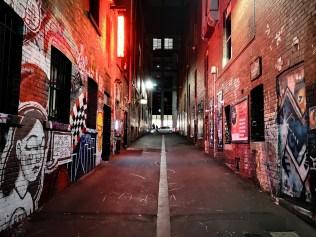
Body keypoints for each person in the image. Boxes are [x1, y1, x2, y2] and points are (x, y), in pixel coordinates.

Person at [0, 102, 48, 231]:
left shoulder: (28, 200)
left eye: (42, 147)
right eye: (32, 146)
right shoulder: (4, 200)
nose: (38, 157)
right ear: (19, 148)